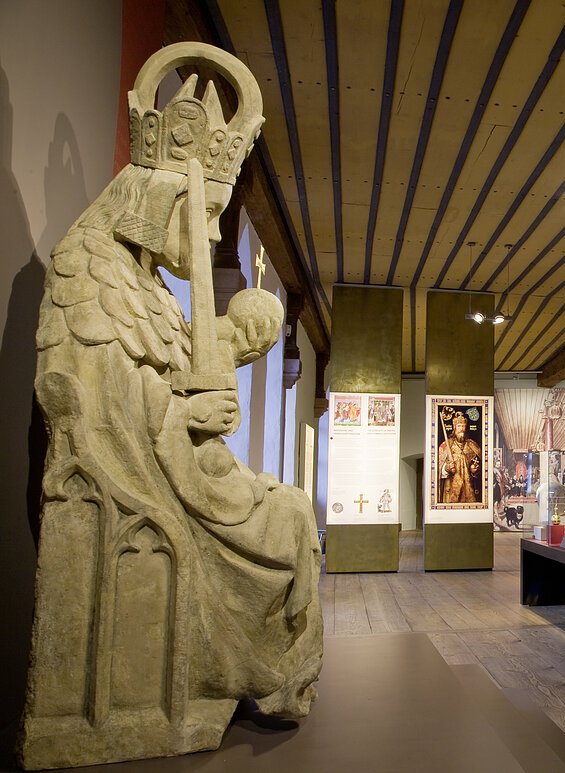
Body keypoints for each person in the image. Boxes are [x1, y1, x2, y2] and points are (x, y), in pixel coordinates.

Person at [20, 43, 323, 768]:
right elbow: (99, 401)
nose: (212, 232)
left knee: (286, 508)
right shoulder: (88, 265)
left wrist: (217, 361)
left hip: (181, 468)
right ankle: (257, 671)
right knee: (284, 517)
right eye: (208, 211)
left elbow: (165, 367)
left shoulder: (145, 282)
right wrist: (186, 415)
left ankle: (267, 673)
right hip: (147, 478)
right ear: (163, 197)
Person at [438, 411, 482, 503]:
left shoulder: (472, 445)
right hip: (451, 487)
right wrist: (446, 468)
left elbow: (480, 466)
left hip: (468, 489)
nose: (461, 429)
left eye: (463, 426)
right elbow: (438, 468)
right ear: (454, 428)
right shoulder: (446, 445)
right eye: (459, 426)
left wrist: (474, 470)